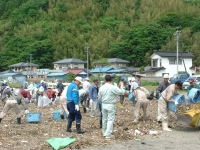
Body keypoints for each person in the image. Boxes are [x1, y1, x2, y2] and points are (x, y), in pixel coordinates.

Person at [98, 75, 125, 139]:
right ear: (111, 80)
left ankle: (104, 132)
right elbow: (122, 92)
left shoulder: (101, 87)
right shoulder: (113, 87)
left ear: (105, 80)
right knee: (110, 119)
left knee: (104, 119)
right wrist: (122, 85)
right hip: (111, 104)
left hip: (104, 104)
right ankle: (108, 134)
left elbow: (99, 97)